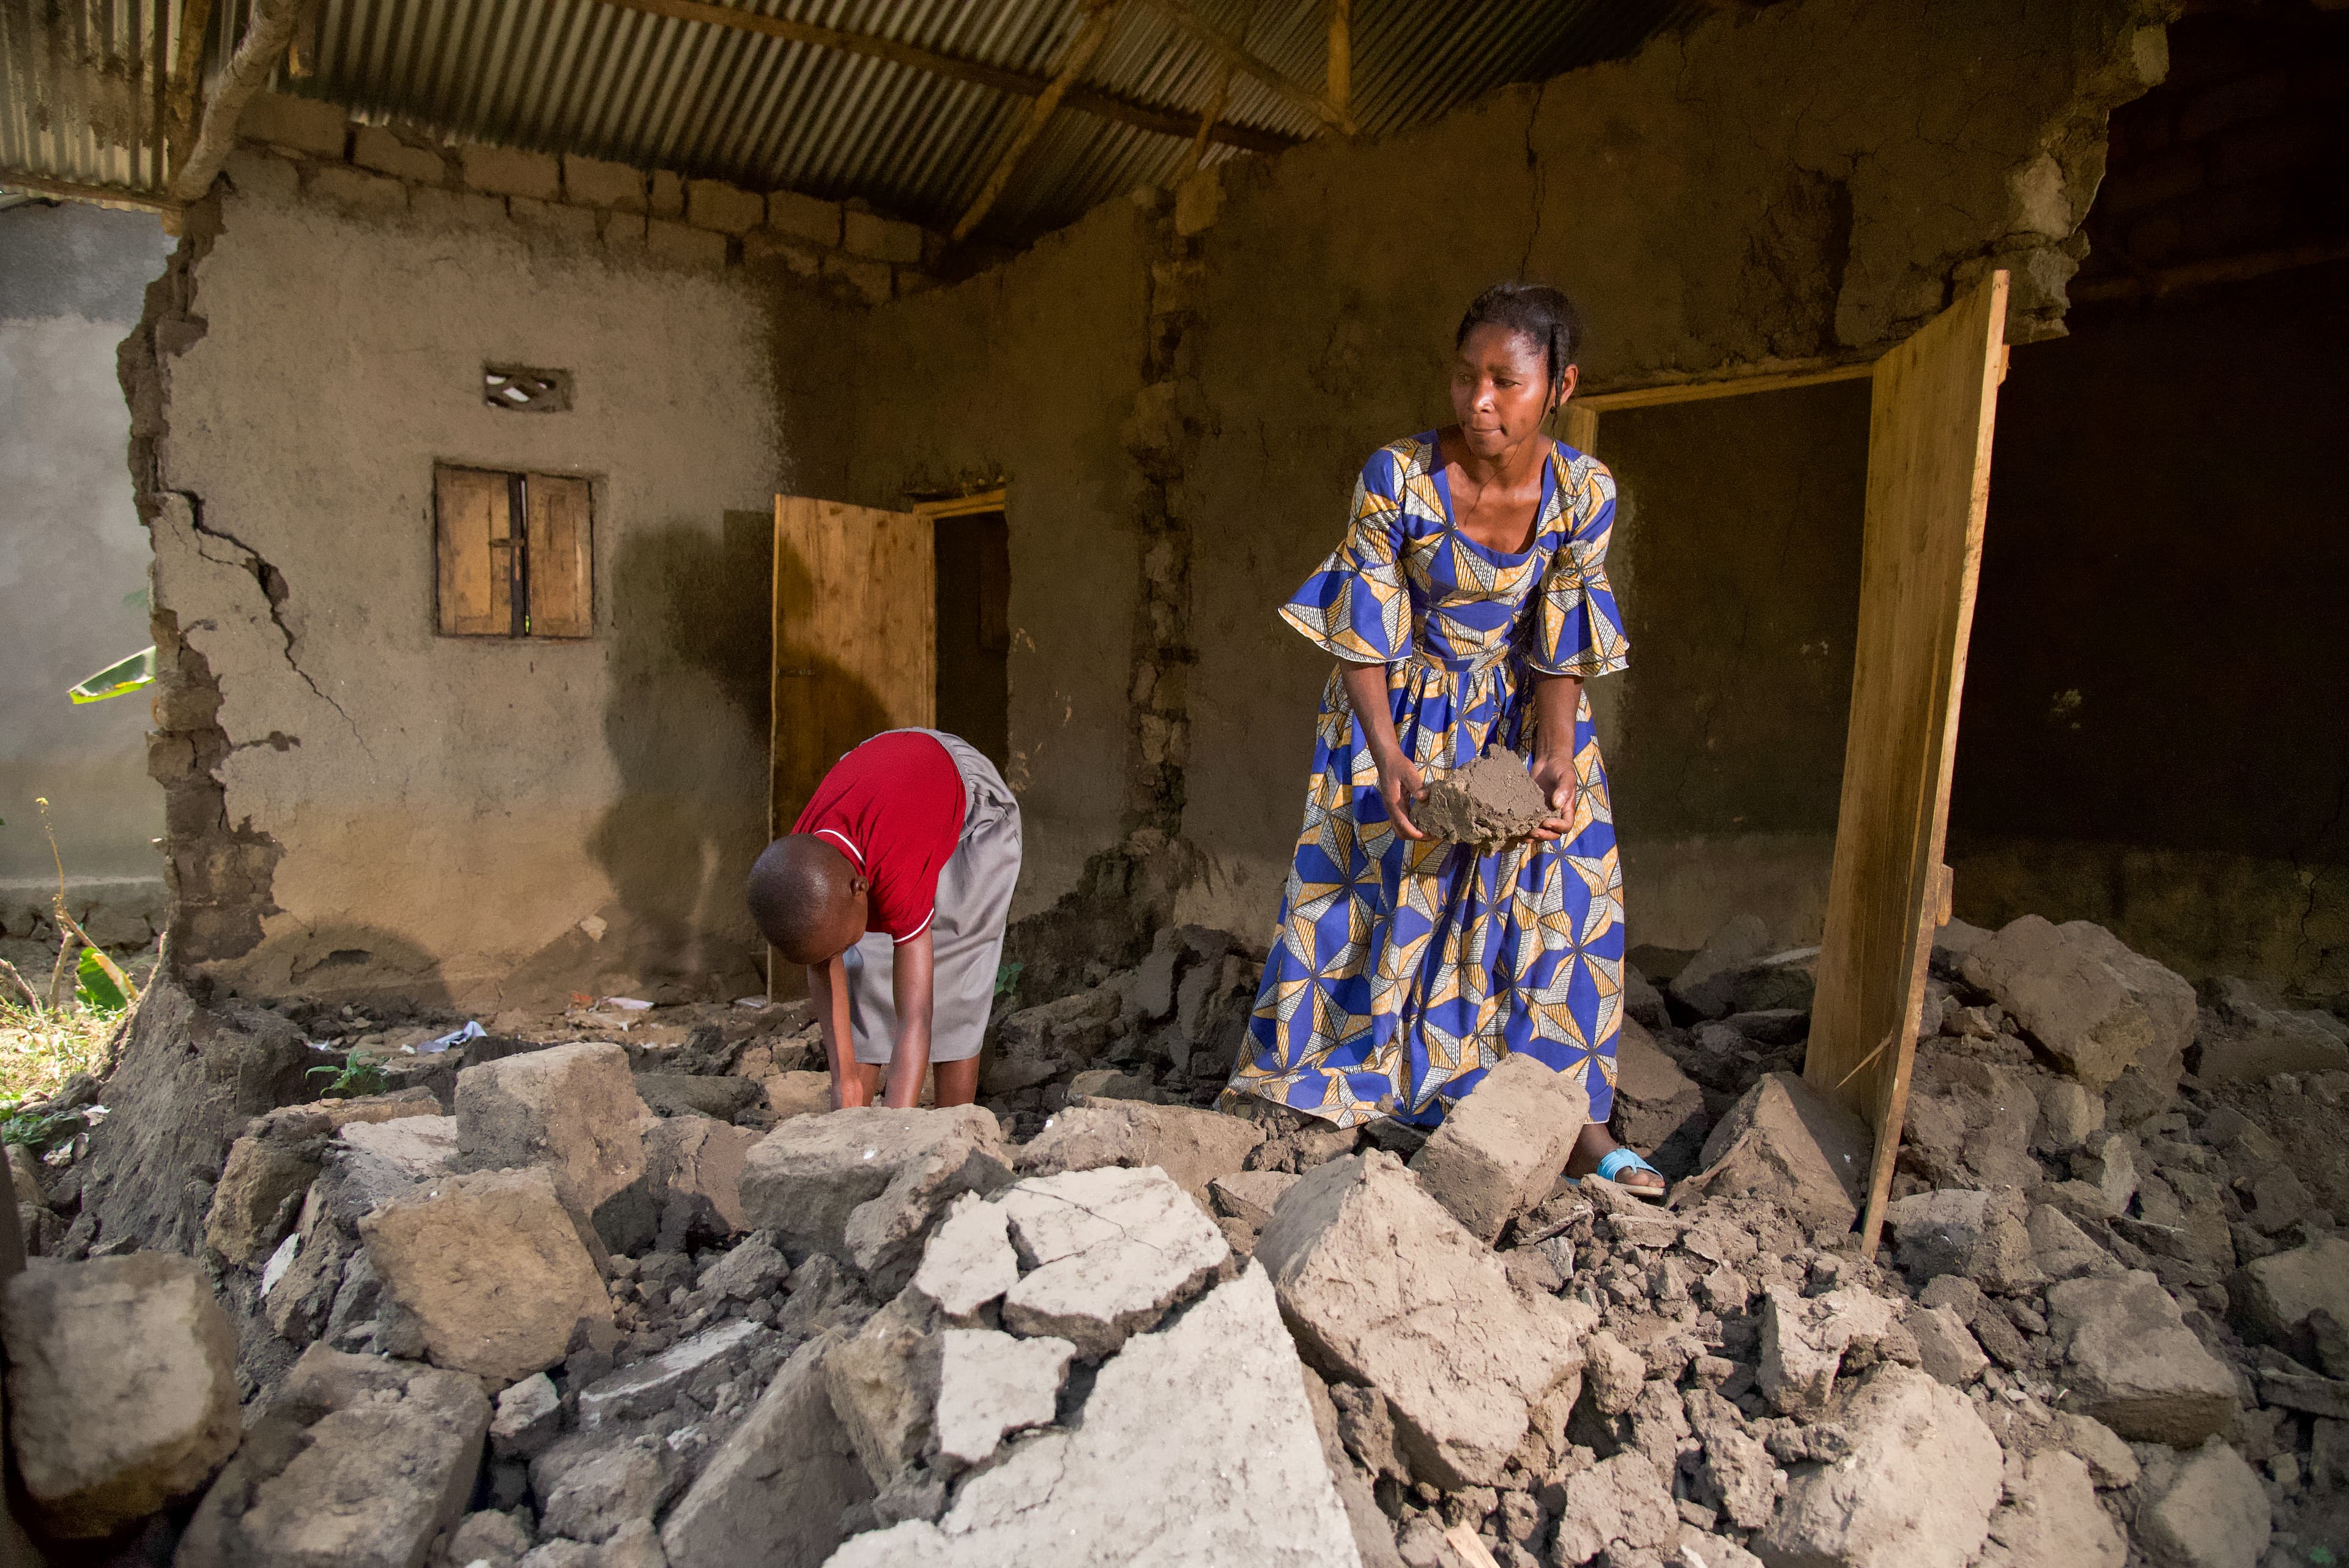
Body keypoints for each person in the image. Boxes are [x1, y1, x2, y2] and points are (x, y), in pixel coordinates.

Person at [1224, 281, 1665, 1197]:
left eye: (1507, 381)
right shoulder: (1399, 477)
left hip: (1521, 718)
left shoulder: (1585, 492)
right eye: (1466, 377)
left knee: (1565, 905)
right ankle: (1341, 1087)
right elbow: (1364, 635)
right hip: (1398, 705)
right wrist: (1387, 756)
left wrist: (1551, 755)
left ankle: (1572, 1125)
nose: (1480, 401)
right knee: (1375, 887)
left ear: (1562, 386)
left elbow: (1562, 641)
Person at [748, 729, 1020, 1110]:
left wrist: (897, 1130)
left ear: (862, 887)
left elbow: (916, 1017)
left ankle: (955, 1123)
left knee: (959, 973)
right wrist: (844, 1084)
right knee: (866, 973)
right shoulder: (803, 867)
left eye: (840, 947)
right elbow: (824, 962)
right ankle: (856, 1108)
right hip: (892, 780)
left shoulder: (895, 874)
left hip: (972, 807)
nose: (839, 954)